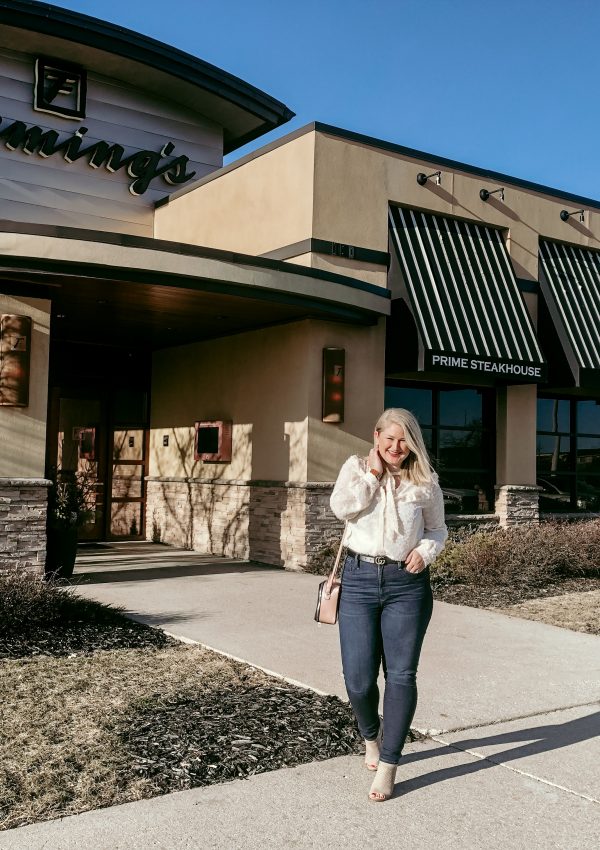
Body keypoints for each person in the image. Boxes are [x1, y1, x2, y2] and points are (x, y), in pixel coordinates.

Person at [330, 408, 447, 802]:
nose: (396, 448)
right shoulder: (355, 469)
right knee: (358, 679)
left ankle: (389, 764)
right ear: (377, 436)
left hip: (407, 585)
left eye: (404, 440)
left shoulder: (425, 481)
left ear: (412, 443)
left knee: (401, 675)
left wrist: (426, 551)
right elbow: (342, 508)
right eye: (390, 439)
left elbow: (436, 529)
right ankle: (371, 738)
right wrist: (374, 475)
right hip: (359, 580)